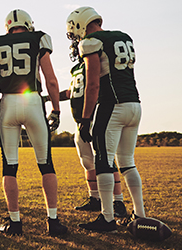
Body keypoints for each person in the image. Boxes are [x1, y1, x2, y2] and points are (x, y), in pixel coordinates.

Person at [0, 9, 67, 236]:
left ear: (8, 26)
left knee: (9, 166)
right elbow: (50, 78)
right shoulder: (37, 38)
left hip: (7, 103)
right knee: (45, 163)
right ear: (28, 24)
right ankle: (53, 220)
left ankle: (15, 222)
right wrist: (57, 109)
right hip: (33, 100)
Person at [66, 6, 145, 232]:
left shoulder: (91, 42)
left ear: (80, 24)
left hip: (112, 105)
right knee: (127, 162)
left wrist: (85, 119)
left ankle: (107, 218)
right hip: (134, 104)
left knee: (103, 161)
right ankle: (139, 214)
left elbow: (93, 84)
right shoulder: (123, 37)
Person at [44, 41, 127, 217]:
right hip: (80, 121)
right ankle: (94, 198)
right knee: (87, 161)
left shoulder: (96, 64)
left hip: (96, 118)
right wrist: (49, 98)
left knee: (106, 160)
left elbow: (96, 86)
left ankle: (118, 201)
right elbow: (72, 92)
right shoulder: (76, 69)